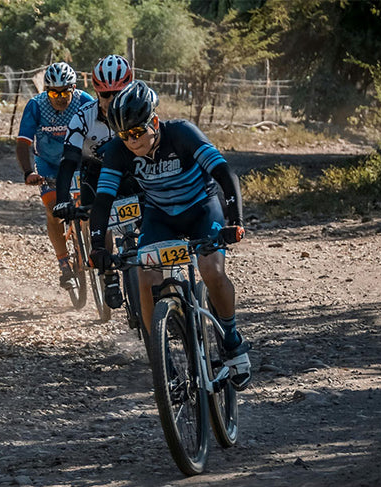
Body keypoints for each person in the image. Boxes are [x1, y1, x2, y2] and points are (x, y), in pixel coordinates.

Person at [88, 81, 251, 390]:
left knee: (211, 271)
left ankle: (231, 339)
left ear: (155, 122)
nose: (132, 142)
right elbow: (103, 200)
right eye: (124, 135)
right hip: (160, 217)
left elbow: (224, 174)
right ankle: (160, 360)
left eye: (137, 132)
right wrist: (98, 246)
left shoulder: (182, 133)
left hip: (202, 209)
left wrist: (236, 221)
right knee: (146, 279)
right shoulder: (119, 151)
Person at [52, 54, 138, 308]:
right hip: (97, 174)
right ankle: (109, 274)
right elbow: (68, 161)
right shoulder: (82, 117)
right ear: (96, 92)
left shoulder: (140, 110)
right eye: (105, 95)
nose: (111, 101)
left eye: (118, 93)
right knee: (95, 218)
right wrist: (62, 200)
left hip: (133, 172)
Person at [16, 61, 95, 289]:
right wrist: (29, 172)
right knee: (53, 211)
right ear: (45, 91)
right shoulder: (36, 106)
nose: (60, 97)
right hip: (49, 164)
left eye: (65, 91)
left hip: (79, 161)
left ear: (74, 88)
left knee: (90, 207)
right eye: (53, 92)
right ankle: (64, 264)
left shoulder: (84, 102)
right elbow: (23, 143)